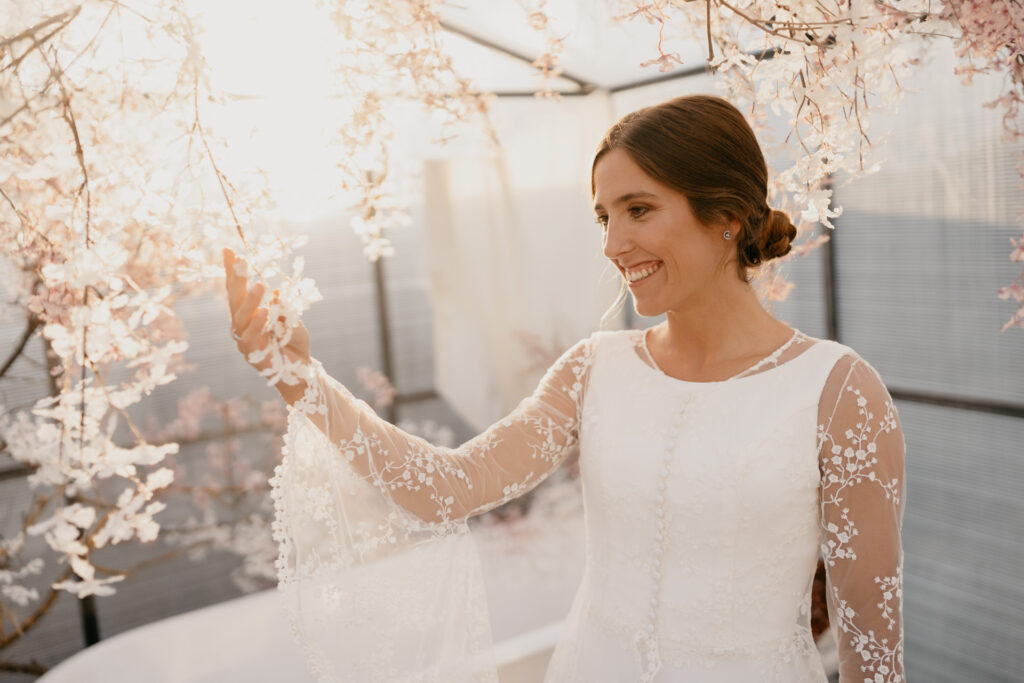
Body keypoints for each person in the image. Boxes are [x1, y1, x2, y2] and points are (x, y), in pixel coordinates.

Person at [223, 94, 905, 682]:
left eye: (639, 209)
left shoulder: (838, 392)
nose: (613, 244)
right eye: (604, 216)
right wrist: (299, 378)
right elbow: (444, 488)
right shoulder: (592, 369)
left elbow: (871, 637)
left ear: (725, 213)